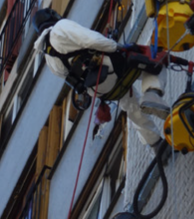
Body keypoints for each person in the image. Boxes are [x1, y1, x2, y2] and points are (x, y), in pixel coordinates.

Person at [32, 8, 168, 147]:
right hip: (109, 67)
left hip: (99, 88)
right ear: (53, 16)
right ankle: (152, 94)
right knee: (156, 62)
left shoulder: (49, 59)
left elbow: (69, 76)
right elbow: (91, 40)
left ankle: (155, 144)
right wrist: (118, 47)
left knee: (131, 105)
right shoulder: (60, 28)